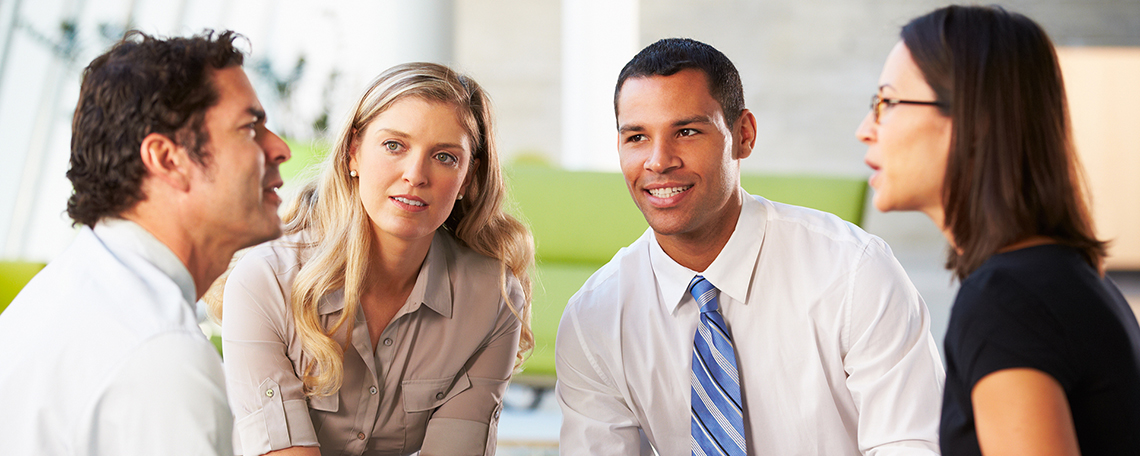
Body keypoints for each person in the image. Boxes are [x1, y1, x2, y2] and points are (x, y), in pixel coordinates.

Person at [556, 37, 945, 455]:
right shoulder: (595, 318)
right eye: (636, 137)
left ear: (743, 135)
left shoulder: (853, 273)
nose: (659, 161)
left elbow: (911, 445)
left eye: (686, 131)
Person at [856, 5, 1140, 455]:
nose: (865, 130)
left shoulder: (1007, 303)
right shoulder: (1063, 279)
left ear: (971, 119)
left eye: (886, 103)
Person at [214, 62, 533, 456]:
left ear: (467, 177)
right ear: (353, 153)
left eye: (445, 157)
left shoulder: (491, 298)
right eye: (394, 145)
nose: (415, 175)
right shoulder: (267, 280)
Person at [0, 30, 291, 455]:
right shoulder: (162, 352)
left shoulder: (65, 291)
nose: (280, 148)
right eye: (250, 128)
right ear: (168, 159)